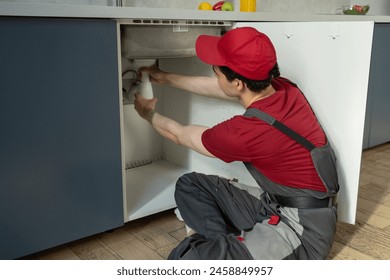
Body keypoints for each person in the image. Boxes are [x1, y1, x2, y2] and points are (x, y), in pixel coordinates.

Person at [133, 27, 339, 260]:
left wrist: (147, 114)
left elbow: (180, 135)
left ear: (238, 83)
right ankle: (225, 245)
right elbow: (218, 88)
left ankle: (216, 248)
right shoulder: (284, 87)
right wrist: (165, 77)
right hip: (274, 203)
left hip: (302, 231)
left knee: (185, 261)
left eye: (216, 72)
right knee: (190, 184)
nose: (214, 76)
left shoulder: (244, 133)